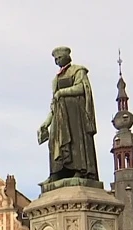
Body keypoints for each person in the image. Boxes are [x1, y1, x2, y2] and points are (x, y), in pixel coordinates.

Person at [37, 46, 100, 183]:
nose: (57, 61)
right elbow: (54, 104)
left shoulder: (78, 70)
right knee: (55, 142)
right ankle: (57, 173)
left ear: (67, 56)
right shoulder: (56, 79)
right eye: (55, 59)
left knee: (76, 141)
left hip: (75, 114)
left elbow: (82, 88)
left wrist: (62, 93)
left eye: (59, 57)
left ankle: (80, 170)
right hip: (59, 117)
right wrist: (46, 123)